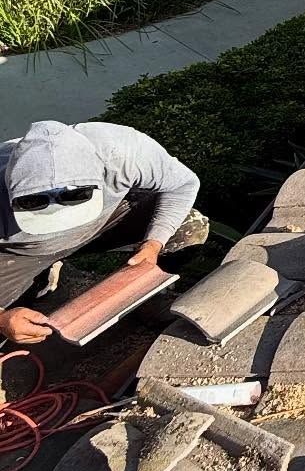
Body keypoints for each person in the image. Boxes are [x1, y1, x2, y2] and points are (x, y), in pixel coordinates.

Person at [0, 119, 206, 348]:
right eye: (34, 204)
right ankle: (41, 275)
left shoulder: (121, 152)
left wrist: (153, 245)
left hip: (104, 223)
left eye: (77, 198)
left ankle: (144, 296)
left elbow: (182, 184)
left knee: (188, 228)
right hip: (21, 254)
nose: (62, 221)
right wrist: (1, 320)